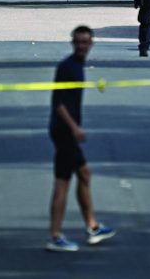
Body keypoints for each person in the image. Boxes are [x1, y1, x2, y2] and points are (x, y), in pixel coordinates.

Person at [46, 26, 116, 251]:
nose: (81, 46)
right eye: (78, 42)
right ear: (72, 42)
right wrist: (74, 128)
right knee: (62, 184)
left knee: (84, 173)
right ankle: (56, 236)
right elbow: (59, 104)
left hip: (66, 132)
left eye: (85, 42)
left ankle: (92, 226)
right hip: (64, 132)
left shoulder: (77, 66)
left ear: (91, 44)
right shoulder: (67, 67)